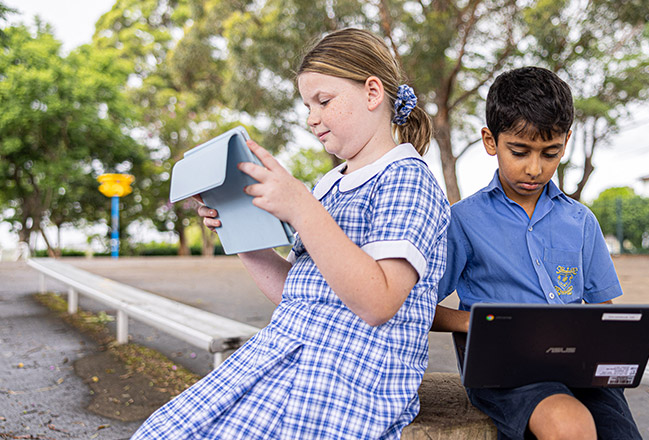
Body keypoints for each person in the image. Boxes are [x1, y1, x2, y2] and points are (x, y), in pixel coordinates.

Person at [132, 28, 450, 439]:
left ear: (373, 93)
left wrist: (302, 207)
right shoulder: (330, 184)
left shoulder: (407, 180)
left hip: (349, 377)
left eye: (324, 100)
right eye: (306, 105)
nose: (311, 117)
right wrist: (240, 231)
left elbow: (378, 302)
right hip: (286, 354)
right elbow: (297, 295)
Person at [431, 67, 640, 440]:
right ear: (490, 140)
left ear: (566, 142)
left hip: (577, 367)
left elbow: (602, 307)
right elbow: (417, 305)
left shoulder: (580, 220)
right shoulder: (462, 220)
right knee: (567, 424)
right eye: (520, 151)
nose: (535, 168)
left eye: (551, 153)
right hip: (505, 369)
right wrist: (482, 323)